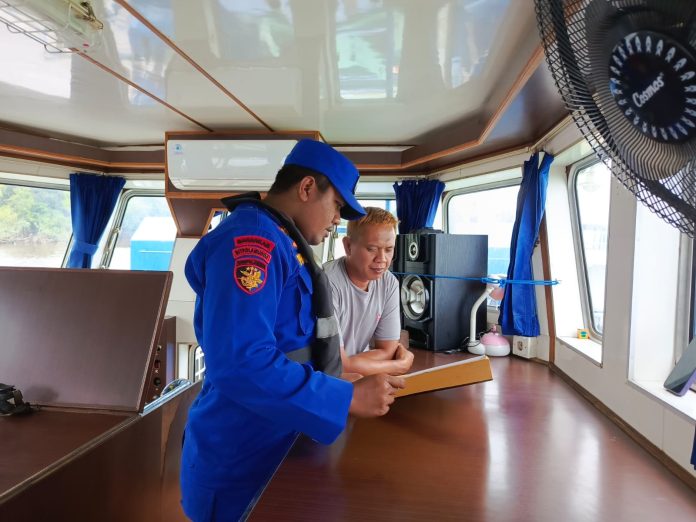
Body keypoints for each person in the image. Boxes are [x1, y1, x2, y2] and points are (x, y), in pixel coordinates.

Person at [180, 139, 406, 521]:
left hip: (279, 441)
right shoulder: (253, 242)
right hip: (242, 455)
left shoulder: (286, 244)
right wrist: (344, 399)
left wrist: (336, 385)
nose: (337, 220)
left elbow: (292, 346)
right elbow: (241, 362)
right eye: (337, 206)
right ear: (307, 188)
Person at [324, 207, 414, 377]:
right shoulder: (327, 283)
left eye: (389, 249)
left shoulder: (389, 283)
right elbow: (337, 365)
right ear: (348, 246)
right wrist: (398, 366)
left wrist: (350, 364)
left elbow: (388, 350)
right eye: (372, 249)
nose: (382, 259)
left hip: (360, 375)